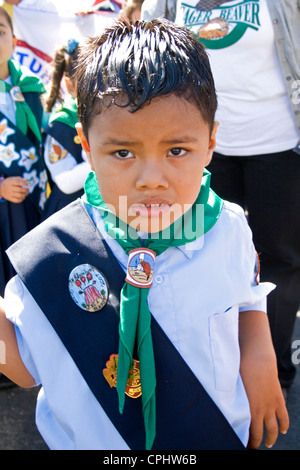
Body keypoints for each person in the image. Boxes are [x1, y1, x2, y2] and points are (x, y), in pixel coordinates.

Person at [0, 19, 289, 450]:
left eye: (177, 150)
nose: (152, 179)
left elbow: (245, 293)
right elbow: (23, 369)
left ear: (211, 142)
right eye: (122, 152)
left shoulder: (226, 226)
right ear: (86, 147)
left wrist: (260, 353)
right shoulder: (52, 254)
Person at [141, 0, 300, 401]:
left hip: (279, 144)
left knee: (279, 260)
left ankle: (272, 372)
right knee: (197, 252)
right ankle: (213, 368)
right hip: (199, 149)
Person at [0, 6, 47, 297]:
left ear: (15, 42)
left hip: (33, 200)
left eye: (1, 31)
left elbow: (44, 140)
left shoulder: (32, 88)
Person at [42, 39, 90, 219]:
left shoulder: (110, 120)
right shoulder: (61, 126)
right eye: (86, 82)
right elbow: (66, 182)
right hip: (68, 215)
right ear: (70, 86)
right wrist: (103, 159)